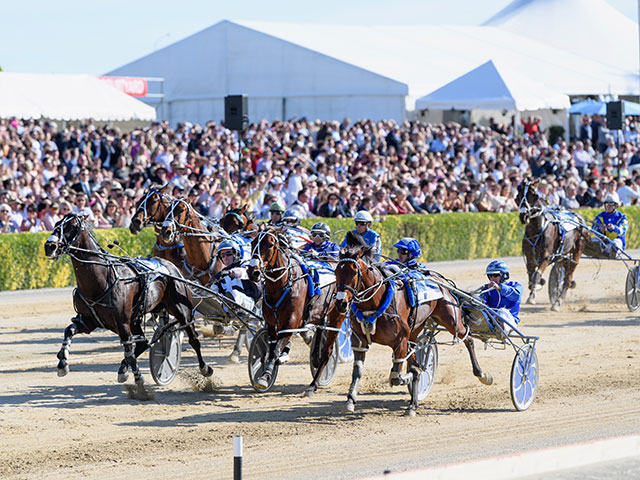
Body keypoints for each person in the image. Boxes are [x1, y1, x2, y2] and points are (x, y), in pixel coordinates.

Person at [481, 260, 523, 335]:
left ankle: (501, 329)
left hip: (509, 321)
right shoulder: (486, 289)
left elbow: (516, 296)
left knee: (501, 311)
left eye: (495, 275)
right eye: (490, 276)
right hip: (491, 320)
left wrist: (500, 288)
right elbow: (482, 303)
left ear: (504, 275)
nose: (492, 279)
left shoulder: (515, 286)